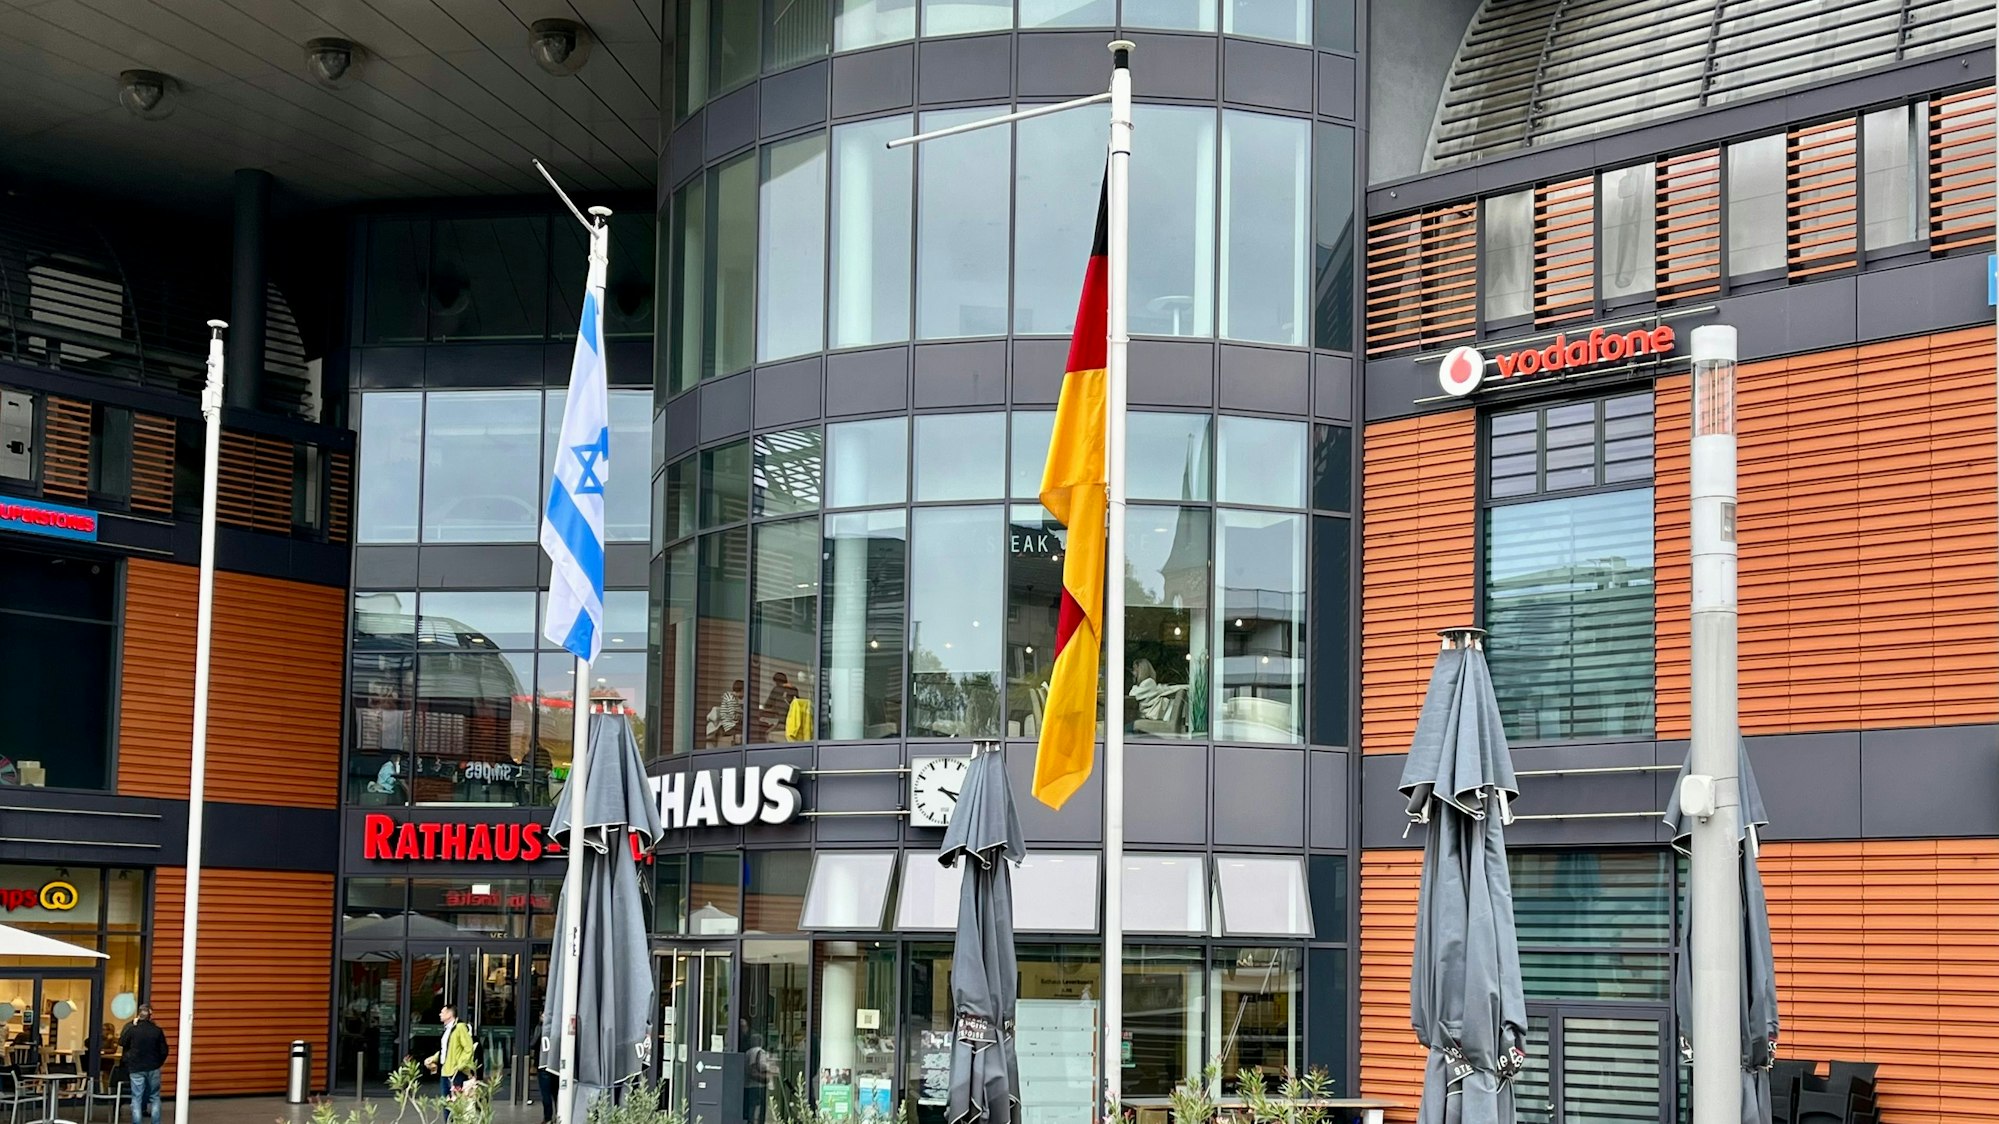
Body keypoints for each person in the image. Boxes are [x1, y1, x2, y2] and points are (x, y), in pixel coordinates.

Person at [117, 1005, 168, 1124]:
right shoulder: (157, 1031)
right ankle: (155, 1122)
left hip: (136, 1068)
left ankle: (137, 1122)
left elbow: (122, 1042)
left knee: (136, 1098)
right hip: (153, 1067)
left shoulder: (133, 1030)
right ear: (150, 1016)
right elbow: (164, 1050)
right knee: (155, 1097)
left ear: (139, 1015)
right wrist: (158, 1063)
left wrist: (132, 1025)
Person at [424, 1005, 476, 1120]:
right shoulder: (448, 1029)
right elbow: (447, 1050)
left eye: (442, 1012)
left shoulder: (460, 1027)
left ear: (449, 1014)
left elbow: (468, 1048)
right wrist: (434, 1058)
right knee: (447, 1102)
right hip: (445, 1071)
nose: (440, 1014)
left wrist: (461, 1065)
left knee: (456, 1102)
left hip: (456, 1072)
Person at [743, 1033, 779, 1124]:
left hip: (747, 1085)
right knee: (759, 1109)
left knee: (750, 1108)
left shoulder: (747, 1052)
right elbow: (762, 1067)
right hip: (758, 1085)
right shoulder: (760, 1052)